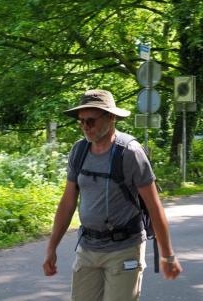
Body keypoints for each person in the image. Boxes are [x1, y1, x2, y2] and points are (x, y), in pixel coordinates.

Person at [42, 89, 182, 301]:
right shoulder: (79, 152)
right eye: (81, 122)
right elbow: (68, 202)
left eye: (91, 121)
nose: (85, 127)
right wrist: (52, 247)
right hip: (88, 248)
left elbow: (154, 206)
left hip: (124, 248)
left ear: (111, 117)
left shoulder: (130, 153)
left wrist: (168, 255)